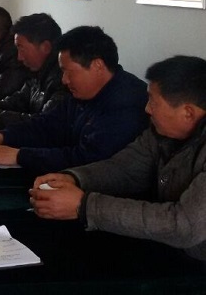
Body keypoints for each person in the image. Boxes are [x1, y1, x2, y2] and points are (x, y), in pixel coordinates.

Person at [30, 56, 206, 260]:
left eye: (153, 102)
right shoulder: (160, 133)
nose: (147, 109)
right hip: (164, 248)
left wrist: (84, 206)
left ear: (188, 113)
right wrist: (74, 178)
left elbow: (183, 225)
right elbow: (124, 168)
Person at [0, 26, 149, 174]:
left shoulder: (126, 103)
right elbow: (46, 124)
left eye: (68, 72)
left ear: (97, 66)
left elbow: (88, 159)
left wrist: (19, 156)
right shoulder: (83, 92)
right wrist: (2, 136)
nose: (64, 80)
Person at [0, 13, 68, 132]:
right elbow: (18, 101)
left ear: (45, 47)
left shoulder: (64, 80)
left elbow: (43, 124)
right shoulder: (37, 71)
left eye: (21, 48)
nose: (19, 57)